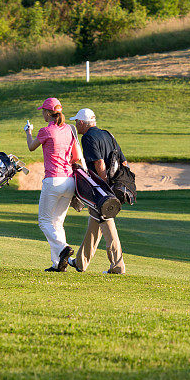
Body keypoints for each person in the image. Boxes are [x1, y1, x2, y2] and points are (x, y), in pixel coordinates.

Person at [25, 97, 83, 272]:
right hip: (69, 181)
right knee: (57, 222)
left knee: (44, 221)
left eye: (43, 111)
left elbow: (30, 147)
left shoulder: (45, 131)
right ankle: (59, 263)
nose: (42, 113)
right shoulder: (69, 129)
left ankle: (64, 249)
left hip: (53, 181)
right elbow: (75, 157)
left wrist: (28, 131)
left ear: (49, 113)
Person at [67, 108, 127, 274]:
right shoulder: (107, 134)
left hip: (102, 189)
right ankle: (80, 263)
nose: (76, 126)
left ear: (82, 123)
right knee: (95, 221)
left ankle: (117, 266)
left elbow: (99, 163)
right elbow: (124, 162)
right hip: (113, 186)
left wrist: (103, 187)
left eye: (76, 122)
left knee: (107, 222)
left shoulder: (88, 137)